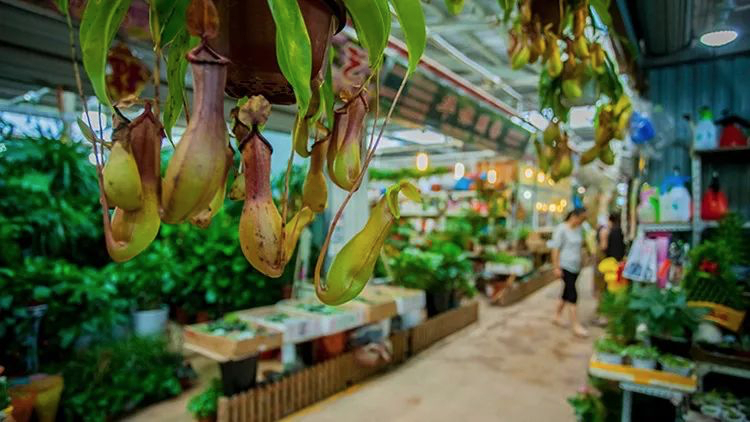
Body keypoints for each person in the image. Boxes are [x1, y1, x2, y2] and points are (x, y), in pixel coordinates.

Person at [550, 207, 589, 337]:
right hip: (565, 265)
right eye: (581, 218)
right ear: (574, 216)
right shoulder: (561, 229)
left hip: (576, 266)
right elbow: (555, 249)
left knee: (566, 293)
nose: (582, 221)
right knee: (572, 294)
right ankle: (575, 325)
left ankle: (556, 316)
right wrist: (556, 267)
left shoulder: (579, 229)